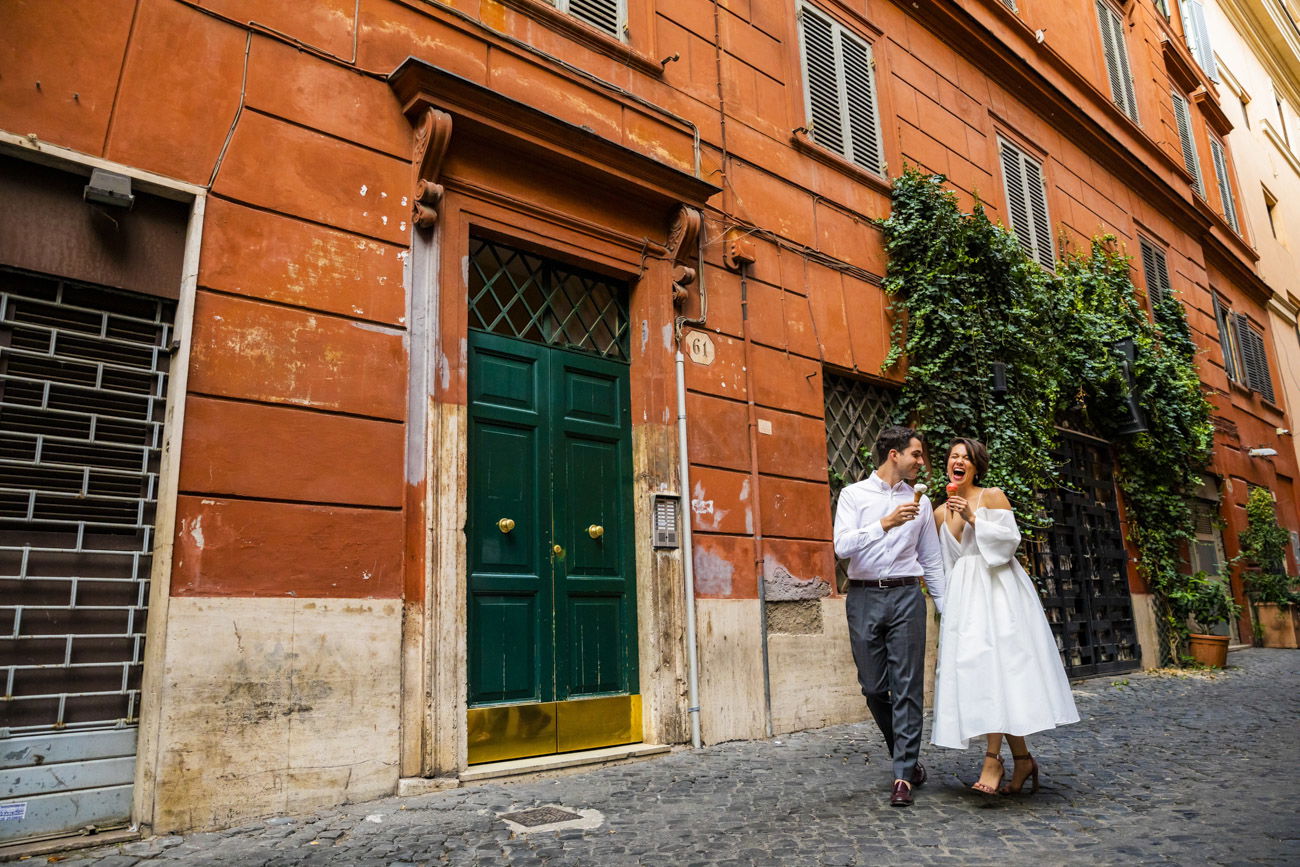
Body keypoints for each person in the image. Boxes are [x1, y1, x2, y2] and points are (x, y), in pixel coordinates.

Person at [930, 437, 1080, 796]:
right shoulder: (938, 512)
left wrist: (971, 517)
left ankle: (992, 758)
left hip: (997, 590)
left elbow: (1008, 541)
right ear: (947, 466)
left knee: (998, 668)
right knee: (982, 672)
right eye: (953, 456)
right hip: (965, 596)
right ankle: (1024, 760)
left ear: (976, 466)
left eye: (966, 457)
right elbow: (943, 564)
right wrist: (946, 606)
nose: (959, 461)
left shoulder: (991, 496)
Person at [833, 425, 946, 807]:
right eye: (916, 454)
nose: (921, 462)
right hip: (863, 596)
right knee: (873, 687)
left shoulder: (923, 504)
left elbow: (930, 560)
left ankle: (902, 776)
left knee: (908, 685)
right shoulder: (853, 495)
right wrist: (885, 523)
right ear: (894, 454)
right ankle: (906, 755)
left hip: (906, 595)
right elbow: (842, 546)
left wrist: (947, 610)